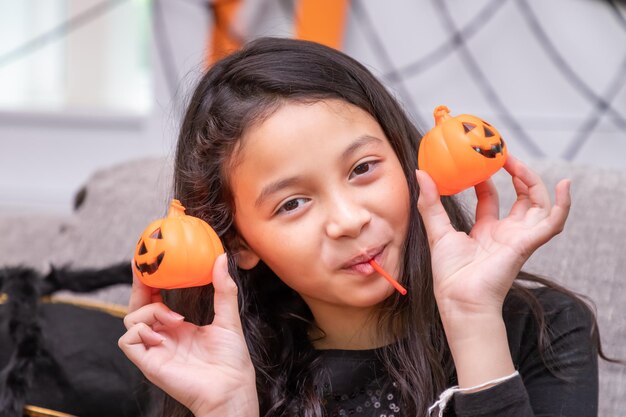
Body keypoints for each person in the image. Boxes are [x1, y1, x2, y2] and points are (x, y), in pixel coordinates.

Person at [118, 37, 604, 417]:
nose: (349, 220)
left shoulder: (546, 330)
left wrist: (473, 320)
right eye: (292, 203)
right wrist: (226, 409)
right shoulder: (224, 371)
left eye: (362, 169)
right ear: (239, 242)